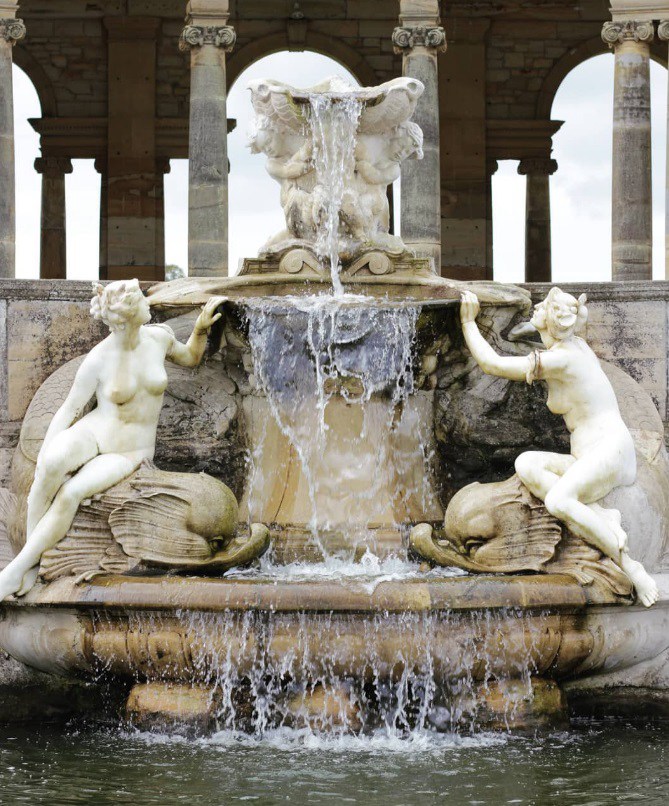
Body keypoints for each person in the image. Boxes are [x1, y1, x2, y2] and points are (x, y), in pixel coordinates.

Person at [0, 279, 223, 601]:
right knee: (48, 469)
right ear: (128, 313)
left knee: (71, 493)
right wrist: (45, 453)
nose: (148, 300)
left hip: (130, 450)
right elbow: (68, 410)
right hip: (93, 432)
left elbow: (189, 358)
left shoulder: (159, 338)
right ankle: (28, 559)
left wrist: (200, 329)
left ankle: (21, 569)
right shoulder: (99, 358)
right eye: (140, 298)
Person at [459, 287, 658, 606]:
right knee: (526, 464)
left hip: (611, 449)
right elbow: (530, 331)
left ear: (552, 320)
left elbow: (493, 365)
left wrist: (469, 323)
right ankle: (597, 515)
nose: (535, 307)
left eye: (542, 307)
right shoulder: (568, 344)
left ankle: (630, 566)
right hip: (590, 452)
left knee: (559, 500)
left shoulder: (563, 359)